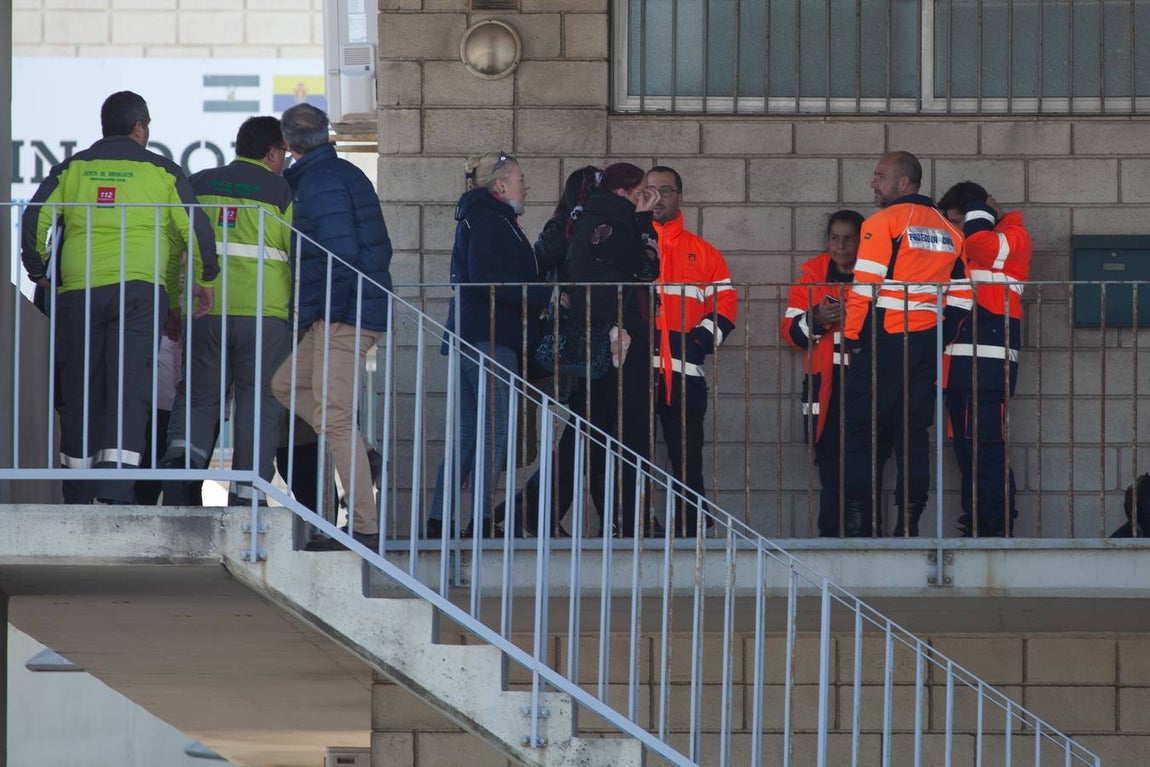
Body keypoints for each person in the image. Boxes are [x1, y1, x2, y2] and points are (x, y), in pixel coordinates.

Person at [20, 90, 217, 504]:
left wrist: (38, 271)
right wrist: (205, 279)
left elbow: (35, 216)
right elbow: (196, 230)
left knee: (79, 389)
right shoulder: (163, 172)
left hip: (76, 295)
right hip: (138, 295)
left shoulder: (72, 168)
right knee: (128, 391)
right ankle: (116, 492)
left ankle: (76, 491)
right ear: (140, 127)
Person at [270, 103, 393, 550]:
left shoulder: (318, 183)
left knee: (334, 418)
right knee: (285, 385)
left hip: (342, 314)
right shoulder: (337, 175)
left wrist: (332, 316)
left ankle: (364, 530)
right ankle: (363, 452)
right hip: (338, 312)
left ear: (288, 146)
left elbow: (341, 257)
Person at [161, 116, 294, 506]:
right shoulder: (281, 191)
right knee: (259, 402)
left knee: (199, 396)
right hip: (264, 315)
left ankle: (183, 477)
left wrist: (173, 305)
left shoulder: (199, 183)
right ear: (271, 153)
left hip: (205, 310)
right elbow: (299, 251)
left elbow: (173, 249)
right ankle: (246, 497)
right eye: (282, 153)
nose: (284, 160)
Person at [425, 151, 550, 539]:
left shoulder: (479, 216)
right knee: (493, 432)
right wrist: (542, 295)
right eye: (520, 179)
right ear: (500, 185)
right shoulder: (492, 220)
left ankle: (439, 521)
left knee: (468, 433)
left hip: (468, 336)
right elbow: (485, 277)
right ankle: (478, 522)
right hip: (491, 338)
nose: (525, 186)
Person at [841, 151, 965, 537]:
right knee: (913, 434)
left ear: (904, 183)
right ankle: (908, 526)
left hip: (883, 340)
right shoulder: (950, 231)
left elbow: (865, 287)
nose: (873, 182)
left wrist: (851, 339)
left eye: (880, 176)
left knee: (863, 431)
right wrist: (940, 329)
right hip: (926, 343)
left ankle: (862, 525)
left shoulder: (883, 223)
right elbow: (962, 299)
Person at [492, 165, 602, 538]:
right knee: (580, 432)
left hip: (590, 341)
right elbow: (538, 266)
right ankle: (530, 511)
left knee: (581, 434)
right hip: (570, 342)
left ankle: (527, 510)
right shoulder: (563, 228)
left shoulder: (597, 229)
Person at [560, 163, 661, 537]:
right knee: (625, 431)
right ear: (623, 193)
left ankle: (621, 519)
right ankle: (630, 520)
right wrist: (645, 221)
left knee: (594, 431)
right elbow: (648, 268)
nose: (645, 199)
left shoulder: (601, 218)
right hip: (616, 341)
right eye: (640, 193)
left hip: (603, 339)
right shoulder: (610, 224)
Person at [782, 210, 891, 537]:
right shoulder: (810, 278)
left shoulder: (879, 277)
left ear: (861, 241)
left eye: (848, 239)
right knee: (830, 468)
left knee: (869, 469)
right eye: (835, 238)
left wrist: (858, 319)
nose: (841, 246)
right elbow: (790, 334)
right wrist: (818, 318)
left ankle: (866, 540)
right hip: (826, 388)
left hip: (870, 385)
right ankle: (830, 539)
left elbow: (894, 330)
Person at [938, 181, 1033, 537]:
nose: (958, 232)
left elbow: (979, 242)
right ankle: (978, 518)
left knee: (986, 446)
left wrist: (980, 209)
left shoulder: (1013, 236)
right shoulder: (974, 239)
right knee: (968, 448)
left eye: (959, 222)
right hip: (962, 363)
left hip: (988, 362)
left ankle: (993, 522)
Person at [647, 165, 737, 537]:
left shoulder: (704, 252)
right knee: (630, 455)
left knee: (687, 459)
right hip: (637, 370)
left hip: (686, 374)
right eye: (649, 190)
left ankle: (691, 526)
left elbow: (726, 307)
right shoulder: (630, 245)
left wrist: (697, 344)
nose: (657, 197)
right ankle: (635, 523)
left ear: (679, 196)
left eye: (665, 189)